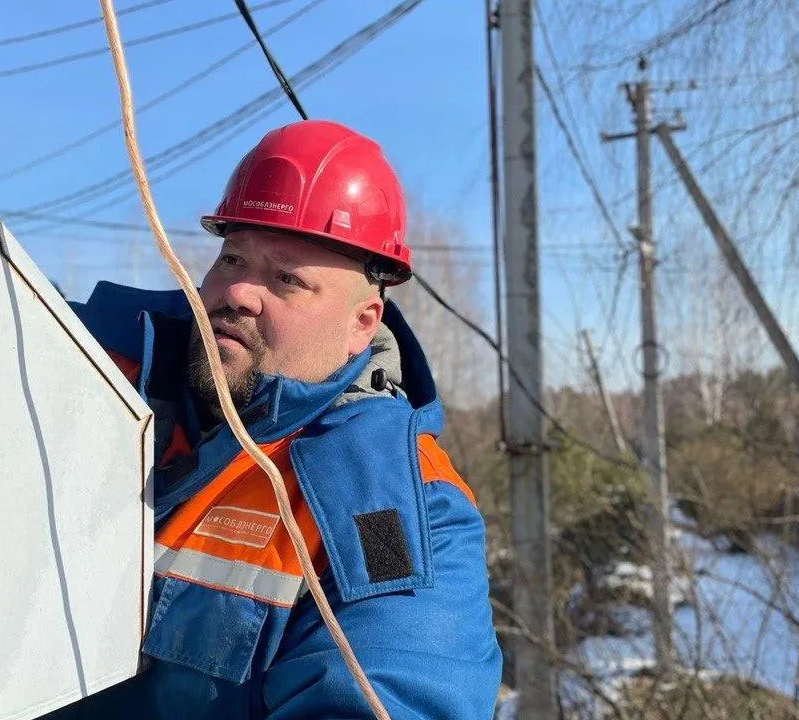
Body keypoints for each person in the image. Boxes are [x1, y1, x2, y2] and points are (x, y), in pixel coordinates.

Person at [58, 119, 502, 719]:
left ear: (362, 323)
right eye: (233, 257)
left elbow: (392, 687)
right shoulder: (105, 365)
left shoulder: (392, 510)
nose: (238, 291)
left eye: (286, 279)